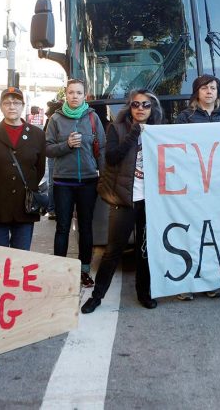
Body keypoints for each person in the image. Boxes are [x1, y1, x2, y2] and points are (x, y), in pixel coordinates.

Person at [81, 89, 164, 314]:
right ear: (130, 107)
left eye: (146, 105)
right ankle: (97, 297)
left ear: (152, 108)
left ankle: (144, 293)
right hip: (124, 199)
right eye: (136, 104)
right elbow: (112, 157)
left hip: (151, 202)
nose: (140, 109)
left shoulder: (160, 132)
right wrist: (134, 133)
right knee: (113, 251)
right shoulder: (116, 129)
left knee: (145, 251)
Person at [175, 74, 220, 300]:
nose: (209, 91)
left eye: (213, 88)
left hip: (218, 186)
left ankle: (211, 281)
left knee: (214, 233)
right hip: (193, 185)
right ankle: (186, 283)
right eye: (205, 88)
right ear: (197, 92)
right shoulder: (184, 117)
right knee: (191, 232)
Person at [45, 78, 106, 287]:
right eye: (71, 92)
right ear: (65, 94)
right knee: (62, 227)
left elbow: (102, 150)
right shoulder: (55, 119)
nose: (74, 96)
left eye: (79, 93)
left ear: (84, 96)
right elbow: (47, 149)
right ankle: (61, 271)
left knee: (86, 227)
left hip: (89, 180)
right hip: (63, 182)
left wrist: (104, 178)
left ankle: (84, 271)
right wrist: (67, 145)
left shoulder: (93, 118)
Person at [0, 88, 46, 250]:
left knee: (20, 258)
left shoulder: (37, 134)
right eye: (7, 103)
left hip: (25, 206)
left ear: (23, 106)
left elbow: (39, 169)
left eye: (16, 102)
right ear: (0, 106)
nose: (12, 106)